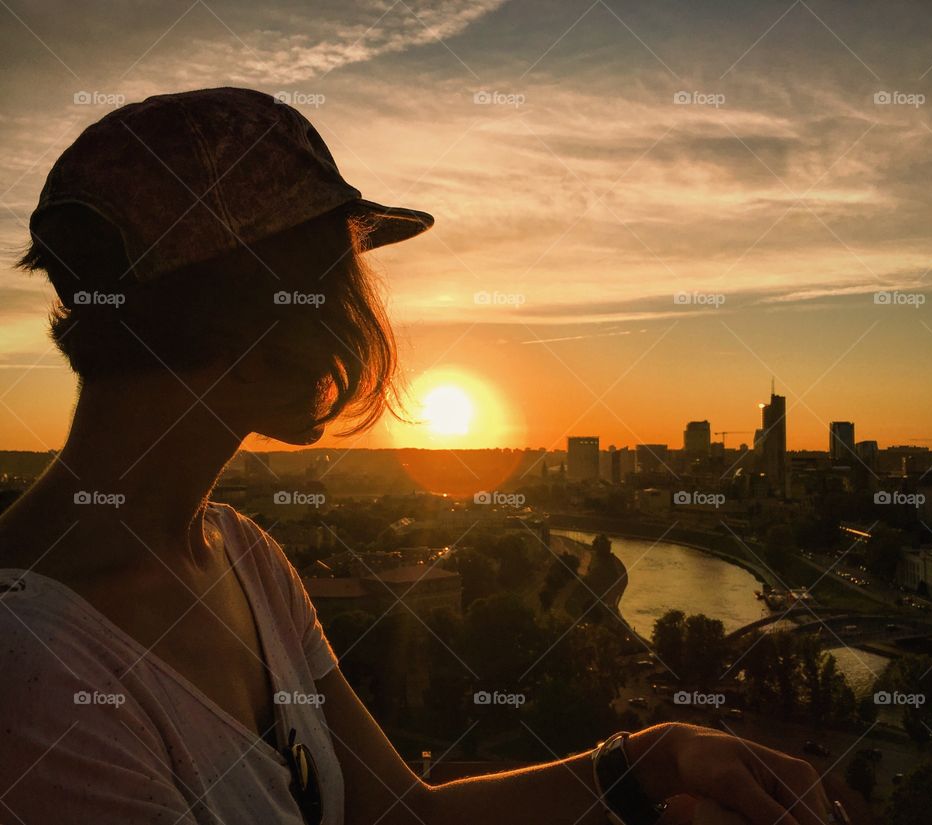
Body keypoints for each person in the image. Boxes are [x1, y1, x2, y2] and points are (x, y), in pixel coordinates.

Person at [0, 87, 844, 825]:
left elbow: (404, 814)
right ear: (236, 321)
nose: (355, 323)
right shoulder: (30, 673)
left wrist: (649, 759)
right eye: (337, 285)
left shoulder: (244, 557)